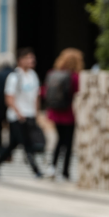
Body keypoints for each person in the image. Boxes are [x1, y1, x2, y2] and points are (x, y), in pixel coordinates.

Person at [0, 47, 42, 177]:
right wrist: (18, 113)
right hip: (16, 116)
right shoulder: (14, 76)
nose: (31, 61)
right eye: (28, 58)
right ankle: (36, 170)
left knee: (13, 144)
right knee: (26, 143)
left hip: (30, 115)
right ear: (20, 60)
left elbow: (36, 96)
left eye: (32, 58)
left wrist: (36, 113)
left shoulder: (33, 76)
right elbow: (9, 98)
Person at [45, 48, 83, 181]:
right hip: (68, 114)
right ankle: (65, 171)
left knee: (59, 140)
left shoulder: (53, 74)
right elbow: (79, 93)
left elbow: (45, 92)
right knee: (68, 143)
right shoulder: (75, 77)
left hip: (54, 112)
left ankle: (52, 168)